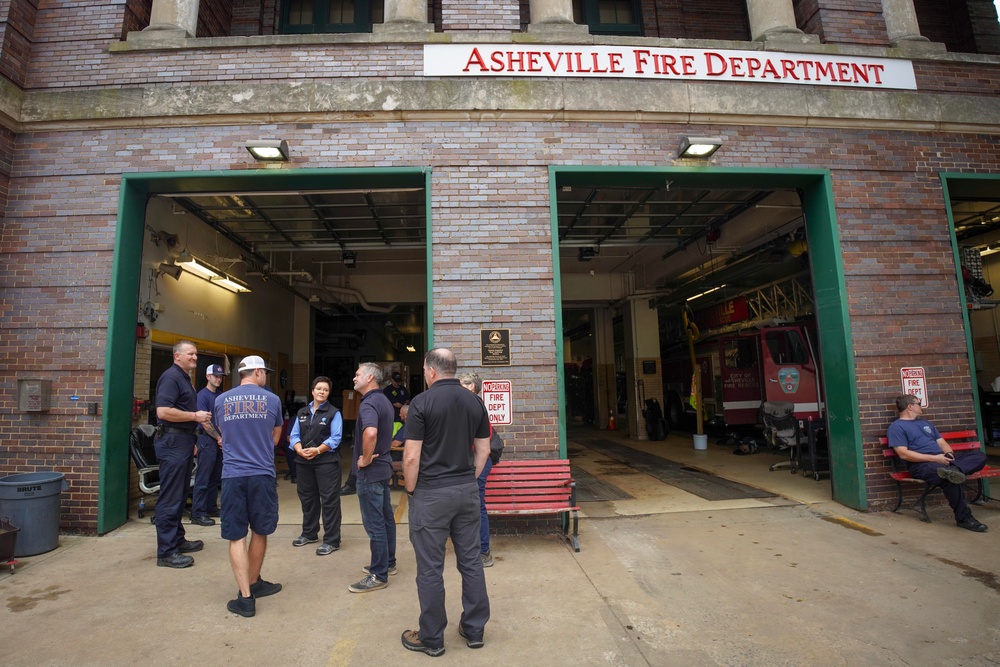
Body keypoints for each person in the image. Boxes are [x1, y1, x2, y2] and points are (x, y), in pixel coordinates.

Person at [401, 348, 491, 656]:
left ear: (430, 370)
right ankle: (474, 629)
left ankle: (432, 638)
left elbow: (411, 455)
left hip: (431, 494)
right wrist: (468, 478)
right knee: (471, 562)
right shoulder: (475, 402)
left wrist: (412, 491)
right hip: (466, 491)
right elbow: (483, 451)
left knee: (429, 568)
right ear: (452, 369)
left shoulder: (422, 403)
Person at [215, 355, 284, 617]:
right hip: (262, 473)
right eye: (264, 371)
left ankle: (247, 594)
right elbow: (276, 437)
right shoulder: (273, 400)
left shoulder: (221, 400)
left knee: (236, 536)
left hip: (232, 474)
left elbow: (222, 430)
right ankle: (252, 584)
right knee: (260, 530)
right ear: (256, 372)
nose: (266, 375)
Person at [153, 340, 217, 568]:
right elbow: (163, 411)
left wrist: (191, 439)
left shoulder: (183, 378)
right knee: (171, 497)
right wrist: (195, 417)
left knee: (180, 495)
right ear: (177, 356)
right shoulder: (171, 378)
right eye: (190, 354)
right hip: (172, 442)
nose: (195, 358)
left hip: (181, 440)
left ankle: (177, 540)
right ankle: (166, 552)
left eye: (196, 354)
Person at [887, 394, 989, 532]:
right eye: (919, 403)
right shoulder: (896, 427)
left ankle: (954, 469)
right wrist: (935, 459)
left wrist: (949, 455)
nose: (921, 406)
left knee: (979, 456)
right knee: (949, 479)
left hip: (944, 461)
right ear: (910, 407)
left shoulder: (926, 424)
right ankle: (964, 518)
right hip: (922, 465)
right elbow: (903, 454)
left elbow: (942, 443)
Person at [348, 362, 397, 593]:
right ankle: (389, 562)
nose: (354, 378)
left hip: (372, 471)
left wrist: (365, 459)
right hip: (383, 468)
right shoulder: (384, 400)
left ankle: (378, 575)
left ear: (369, 378)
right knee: (386, 518)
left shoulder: (368, 402)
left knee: (374, 523)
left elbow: (371, 432)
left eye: (357, 374)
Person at [290, 376, 344, 555]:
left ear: (329, 393)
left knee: (329, 500)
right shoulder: (302, 412)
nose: (322, 392)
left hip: (326, 462)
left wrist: (317, 451)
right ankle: (309, 533)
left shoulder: (334, 413)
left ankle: (331, 540)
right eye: (319, 388)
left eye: (326, 390)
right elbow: (294, 435)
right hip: (304, 462)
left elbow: (335, 438)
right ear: (312, 391)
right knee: (308, 498)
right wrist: (299, 450)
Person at [458, 372, 494, 568]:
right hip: (471, 459)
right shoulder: (468, 406)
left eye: (462, 384)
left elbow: (482, 445)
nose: (458, 387)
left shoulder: (474, 407)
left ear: (472, 386)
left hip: (476, 460)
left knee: (477, 505)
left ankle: (483, 551)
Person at [191, 364, 226, 526]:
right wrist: (219, 438)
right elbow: (205, 422)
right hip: (206, 441)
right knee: (203, 478)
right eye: (215, 376)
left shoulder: (221, 396)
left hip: (219, 441)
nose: (218, 379)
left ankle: (211, 507)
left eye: (220, 376)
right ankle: (198, 513)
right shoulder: (202, 396)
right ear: (207, 376)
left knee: (215, 478)